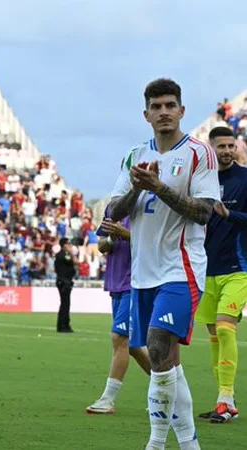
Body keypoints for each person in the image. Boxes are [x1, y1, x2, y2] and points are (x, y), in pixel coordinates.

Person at [109, 78, 219, 450]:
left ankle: (155, 443)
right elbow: (114, 210)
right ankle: (189, 444)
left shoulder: (199, 154)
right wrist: (138, 188)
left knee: (157, 346)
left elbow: (204, 213)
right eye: (156, 107)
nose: (164, 112)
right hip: (142, 272)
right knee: (167, 362)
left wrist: (159, 188)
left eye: (170, 105)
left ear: (182, 111)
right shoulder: (134, 155)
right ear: (146, 115)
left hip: (181, 267)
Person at [194, 126, 247, 424]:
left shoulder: (245, 179)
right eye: (221, 146)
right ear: (210, 148)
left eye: (231, 145)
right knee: (214, 336)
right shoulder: (201, 180)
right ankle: (222, 399)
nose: (227, 150)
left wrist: (231, 215)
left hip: (239, 268)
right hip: (207, 269)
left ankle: (227, 400)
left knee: (226, 328)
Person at [86, 208, 151, 414]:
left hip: (136, 281)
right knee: (131, 344)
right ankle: (166, 386)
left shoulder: (147, 206)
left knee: (119, 337)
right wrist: (113, 237)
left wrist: (124, 233)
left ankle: (108, 399)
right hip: (115, 282)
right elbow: (102, 245)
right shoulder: (114, 208)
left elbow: (154, 243)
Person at [54, 237, 75, 333]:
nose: (70, 246)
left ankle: (64, 325)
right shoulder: (62, 255)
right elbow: (74, 261)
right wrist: (71, 253)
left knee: (65, 304)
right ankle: (63, 326)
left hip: (66, 281)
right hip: (64, 282)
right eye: (68, 244)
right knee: (65, 304)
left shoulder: (62, 255)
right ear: (64, 245)